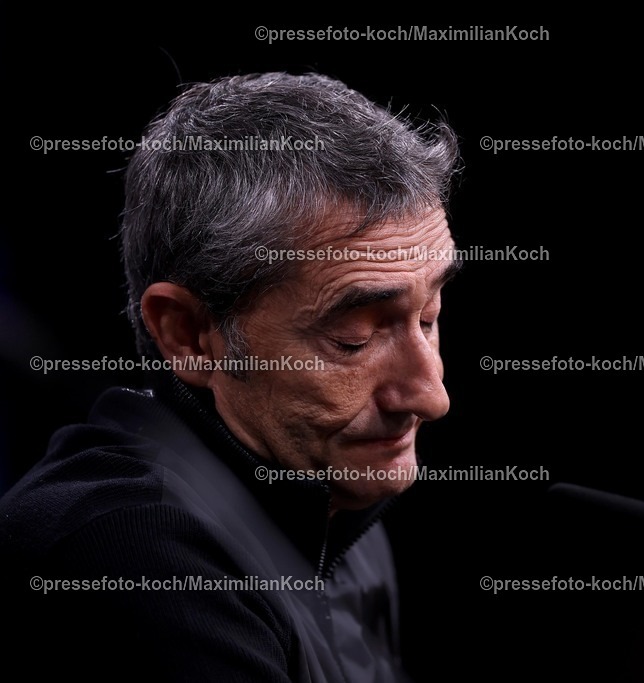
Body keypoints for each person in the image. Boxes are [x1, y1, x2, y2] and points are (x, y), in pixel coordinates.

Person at [1, 72, 461, 682]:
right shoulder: (129, 550)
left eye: (428, 318)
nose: (431, 395)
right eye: (353, 339)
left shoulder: (339, 500)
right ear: (190, 334)